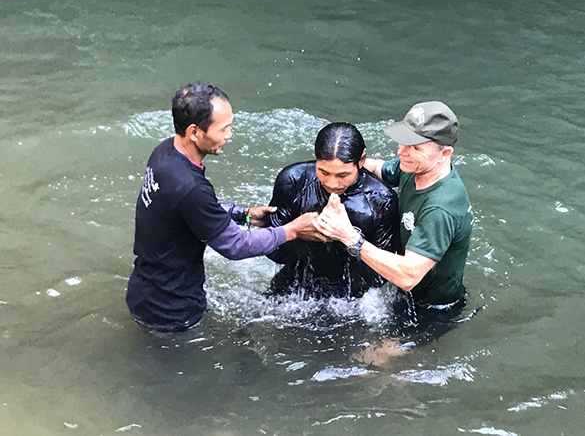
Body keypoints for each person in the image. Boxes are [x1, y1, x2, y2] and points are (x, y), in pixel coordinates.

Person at [126, 83, 317, 332]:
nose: (229, 135)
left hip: (147, 289)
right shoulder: (189, 187)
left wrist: (244, 214)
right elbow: (235, 245)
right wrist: (292, 230)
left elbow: (191, 210)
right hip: (171, 311)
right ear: (194, 132)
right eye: (223, 128)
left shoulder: (165, 152)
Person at [314, 102, 473, 356]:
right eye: (402, 141)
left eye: (414, 147)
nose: (401, 151)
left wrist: (348, 236)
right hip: (402, 296)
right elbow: (378, 168)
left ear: (444, 154)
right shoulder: (414, 167)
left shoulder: (440, 208)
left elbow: (408, 277)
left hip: (431, 310)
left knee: (366, 364)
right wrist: (338, 170)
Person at [265, 122, 398, 299]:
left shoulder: (380, 199)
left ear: (362, 161)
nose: (332, 184)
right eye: (323, 172)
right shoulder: (294, 180)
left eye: (343, 175)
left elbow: (380, 277)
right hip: (295, 281)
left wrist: (347, 238)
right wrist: (301, 234)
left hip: (352, 297)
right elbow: (272, 251)